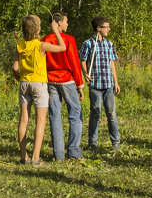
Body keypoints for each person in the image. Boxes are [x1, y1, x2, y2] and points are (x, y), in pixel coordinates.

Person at [12, 15, 66, 166]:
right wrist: (55, 30)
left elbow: (15, 68)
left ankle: (24, 157)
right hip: (39, 84)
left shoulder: (20, 45)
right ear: (37, 29)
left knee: (23, 120)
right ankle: (36, 158)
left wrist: (18, 75)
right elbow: (62, 47)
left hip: (24, 84)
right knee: (40, 120)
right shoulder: (41, 45)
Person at [41, 12, 84, 161]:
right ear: (58, 23)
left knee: (55, 115)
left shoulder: (45, 39)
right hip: (66, 79)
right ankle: (73, 151)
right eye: (66, 22)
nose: (67, 24)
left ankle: (58, 154)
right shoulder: (69, 39)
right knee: (75, 113)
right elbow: (74, 62)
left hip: (51, 80)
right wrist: (80, 85)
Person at [80, 16, 121, 153]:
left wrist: (116, 82)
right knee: (95, 113)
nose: (109, 29)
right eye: (106, 27)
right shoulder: (89, 44)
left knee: (112, 114)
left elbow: (112, 64)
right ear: (99, 28)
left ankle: (116, 142)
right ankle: (92, 143)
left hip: (108, 84)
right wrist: (85, 73)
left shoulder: (109, 44)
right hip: (95, 85)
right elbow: (83, 60)